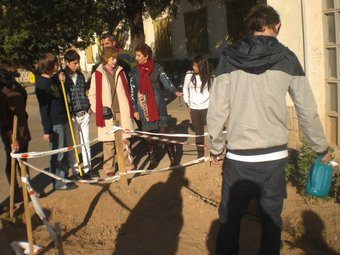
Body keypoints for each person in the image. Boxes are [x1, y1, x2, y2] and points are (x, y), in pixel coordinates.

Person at [207, 5, 333, 255]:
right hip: (274, 159)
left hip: (240, 158)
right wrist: (320, 148)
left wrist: (216, 148)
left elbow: (217, 110)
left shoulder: (229, 58)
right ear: (277, 27)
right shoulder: (288, 58)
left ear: (251, 27)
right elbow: (306, 109)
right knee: (271, 219)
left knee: (230, 219)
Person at [130, 43, 183, 169]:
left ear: (146, 56)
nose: (136, 58)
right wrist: (134, 108)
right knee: (147, 133)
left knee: (163, 131)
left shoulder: (157, 67)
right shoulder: (134, 71)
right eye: (136, 55)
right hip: (143, 104)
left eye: (138, 55)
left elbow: (166, 82)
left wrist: (175, 91)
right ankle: (153, 160)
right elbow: (132, 90)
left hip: (158, 102)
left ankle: (173, 159)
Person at [88, 47, 134, 177]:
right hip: (106, 113)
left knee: (125, 140)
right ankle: (109, 168)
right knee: (108, 143)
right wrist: (98, 109)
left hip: (121, 111)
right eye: (112, 58)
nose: (114, 61)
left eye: (115, 58)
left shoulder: (121, 71)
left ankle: (127, 165)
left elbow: (127, 90)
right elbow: (91, 95)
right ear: (105, 58)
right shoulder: (97, 74)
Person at [35, 53, 78, 191]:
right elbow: (43, 109)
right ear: (50, 65)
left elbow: (60, 95)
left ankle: (62, 177)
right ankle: (58, 182)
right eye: (56, 63)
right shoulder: (42, 84)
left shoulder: (53, 80)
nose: (58, 65)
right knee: (58, 153)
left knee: (64, 151)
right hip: (55, 123)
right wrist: (47, 130)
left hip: (62, 119)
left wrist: (60, 81)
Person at [59, 49, 98, 180]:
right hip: (71, 116)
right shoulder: (61, 77)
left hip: (84, 113)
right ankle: (76, 171)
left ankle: (88, 169)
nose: (77, 65)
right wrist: (59, 81)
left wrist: (88, 106)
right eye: (74, 63)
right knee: (73, 145)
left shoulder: (80, 76)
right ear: (67, 62)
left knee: (85, 142)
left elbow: (83, 93)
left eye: (78, 63)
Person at [0, 60, 31, 204]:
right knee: (12, 161)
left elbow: (23, 99)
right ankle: (15, 192)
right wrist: (13, 138)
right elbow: (4, 120)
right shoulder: (2, 93)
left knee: (24, 161)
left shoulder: (17, 88)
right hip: (10, 132)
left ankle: (28, 189)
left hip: (22, 128)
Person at [183, 55, 213, 158]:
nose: (194, 68)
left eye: (197, 66)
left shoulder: (210, 76)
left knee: (212, 130)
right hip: (194, 108)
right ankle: (200, 155)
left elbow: (213, 91)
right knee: (198, 132)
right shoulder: (189, 75)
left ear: (202, 66)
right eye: (193, 65)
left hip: (207, 106)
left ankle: (213, 152)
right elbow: (185, 89)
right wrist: (187, 103)